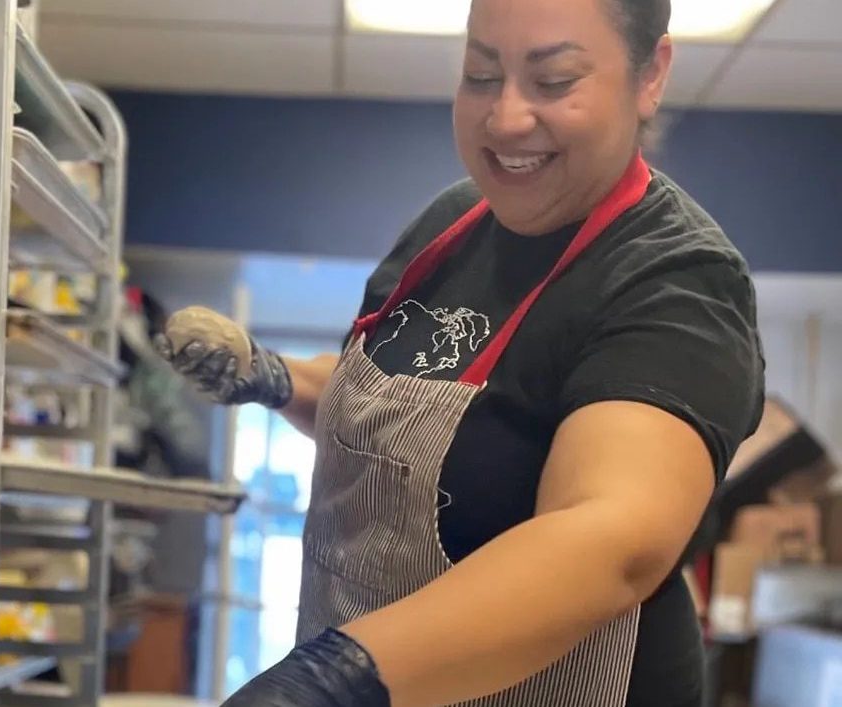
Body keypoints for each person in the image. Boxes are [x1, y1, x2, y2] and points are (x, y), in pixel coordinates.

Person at [155, 0, 765, 704]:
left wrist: (334, 681)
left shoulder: (676, 277)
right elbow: (394, 402)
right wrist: (274, 377)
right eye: (481, 74)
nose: (505, 119)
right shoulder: (451, 223)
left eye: (554, 79)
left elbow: (609, 538)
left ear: (649, 74)